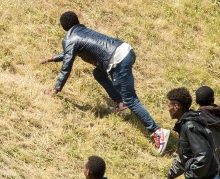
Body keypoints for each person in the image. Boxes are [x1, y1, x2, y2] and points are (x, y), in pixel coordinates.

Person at [40, 11, 170, 155]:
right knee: (98, 73)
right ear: (76, 21)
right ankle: (120, 104)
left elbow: (67, 66)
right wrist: (51, 59)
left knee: (131, 99)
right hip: (125, 50)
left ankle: (157, 131)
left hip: (117, 60)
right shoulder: (81, 30)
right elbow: (69, 54)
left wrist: (56, 89)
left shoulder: (69, 39)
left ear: (63, 26)